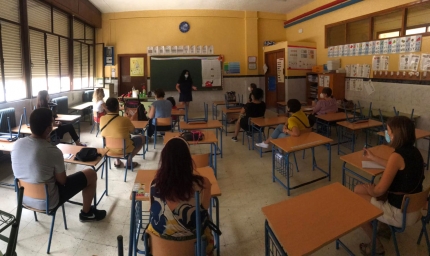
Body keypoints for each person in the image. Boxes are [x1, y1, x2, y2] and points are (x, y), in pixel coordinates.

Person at [11, 108, 106, 222]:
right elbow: (62, 181)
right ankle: (86, 213)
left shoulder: (17, 144)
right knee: (90, 173)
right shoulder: (53, 151)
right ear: (48, 129)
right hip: (47, 202)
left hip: (24, 198)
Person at [354, 116, 424, 256]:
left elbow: (379, 190)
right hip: (416, 208)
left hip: (400, 213)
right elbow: (394, 166)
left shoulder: (397, 155)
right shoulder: (415, 152)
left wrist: (370, 189)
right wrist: (372, 157)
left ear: (396, 134)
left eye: (388, 130)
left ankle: (377, 246)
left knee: (358, 205)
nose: (387, 133)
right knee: (358, 189)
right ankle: (384, 227)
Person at [146, 137, 214, 254]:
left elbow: (151, 209)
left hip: (161, 249)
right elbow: (204, 209)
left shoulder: (154, 185)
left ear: (164, 160)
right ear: (188, 160)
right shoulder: (203, 184)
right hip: (193, 249)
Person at [100, 97, 145, 169]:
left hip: (108, 149)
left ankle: (117, 161)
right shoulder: (124, 119)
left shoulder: (102, 119)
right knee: (142, 138)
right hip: (124, 149)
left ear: (107, 107)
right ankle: (129, 163)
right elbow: (133, 131)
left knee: (114, 137)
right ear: (118, 107)